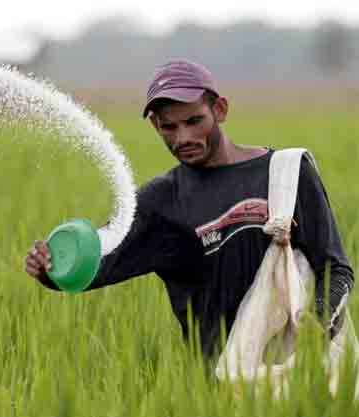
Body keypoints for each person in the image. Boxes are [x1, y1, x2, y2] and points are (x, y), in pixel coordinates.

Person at [25, 59, 354, 358]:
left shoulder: (287, 173)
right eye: (169, 127)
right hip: (219, 386)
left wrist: (314, 332)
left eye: (194, 121)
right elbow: (99, 264)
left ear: (220, 110)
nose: (183, 137)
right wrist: (49, 270)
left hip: (296, 371)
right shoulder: (161, 202)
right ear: (156, 125)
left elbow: (334, 267)